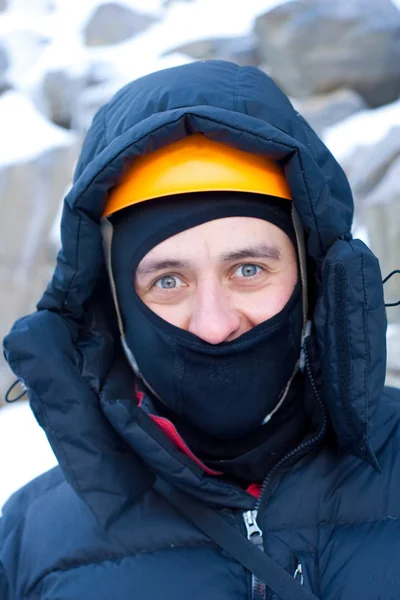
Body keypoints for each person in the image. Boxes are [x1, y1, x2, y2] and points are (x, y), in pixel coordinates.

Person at [0, 60, 399, 600]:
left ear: (314, 280)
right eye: (168, 280)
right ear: (115, 308)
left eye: (249, 270)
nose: (214, 324)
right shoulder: (29, 545)